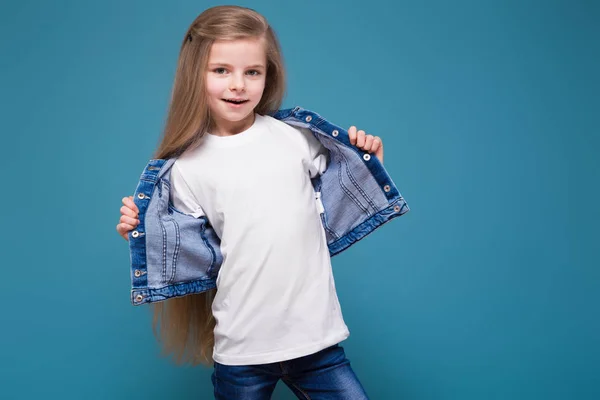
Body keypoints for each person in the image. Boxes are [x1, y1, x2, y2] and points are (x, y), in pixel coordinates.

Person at [116, 5, 407, 399]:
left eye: (252, 71)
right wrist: (141, 230)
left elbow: (338, 199)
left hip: (317, 341)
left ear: (268, 75)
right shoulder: (186, 168)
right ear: (195, 74)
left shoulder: (296, 138)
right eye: (221, 70)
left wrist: (369, 162)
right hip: (242, 352)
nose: (238, 85)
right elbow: (190, 251)